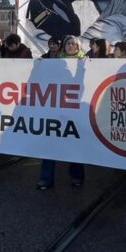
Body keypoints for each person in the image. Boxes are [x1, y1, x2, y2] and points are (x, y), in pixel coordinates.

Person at [37, 35, 85, 189]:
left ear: (78, 47)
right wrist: (38, 66)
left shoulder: (85, 61)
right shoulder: (56, 62)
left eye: (74, 44)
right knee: (49, 144)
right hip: (55, 108)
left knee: (74, 145)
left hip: (74, 109)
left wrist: (82, 68)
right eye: (68, 43)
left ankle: (77, 176)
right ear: (64, 46)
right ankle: (46, 178)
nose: (71, 46)